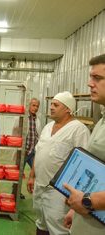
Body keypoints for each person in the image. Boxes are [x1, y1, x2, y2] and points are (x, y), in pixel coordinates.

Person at [27, 91, 90, 235]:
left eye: (56, 105)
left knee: (58, 227)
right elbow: (39, 151)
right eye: (51, 104)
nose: (51, 107)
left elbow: (85, 164)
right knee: (41, 223)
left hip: (59, 191)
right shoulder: (47, 127)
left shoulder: (78, 130)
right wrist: (32, 176)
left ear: (67, 109)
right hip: (40, 186)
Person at [63, 54, 105, 235]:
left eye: (97, 78)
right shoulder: (102, 120)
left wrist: (87, 201)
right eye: (90, 77)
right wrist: (75, 209)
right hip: (88, 220)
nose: (89, 83)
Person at [13, 98, 41, 199]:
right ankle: (16, 193)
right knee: (18, 174)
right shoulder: (22, 117)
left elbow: (38, 135)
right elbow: (15, 132)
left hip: (33, 151)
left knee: (37, 171)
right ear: (29, 105)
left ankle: (36, 192)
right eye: (33, 105)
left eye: (37, 106)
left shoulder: (37, 120)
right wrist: (16, 149)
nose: (35, 108)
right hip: (23, 151)